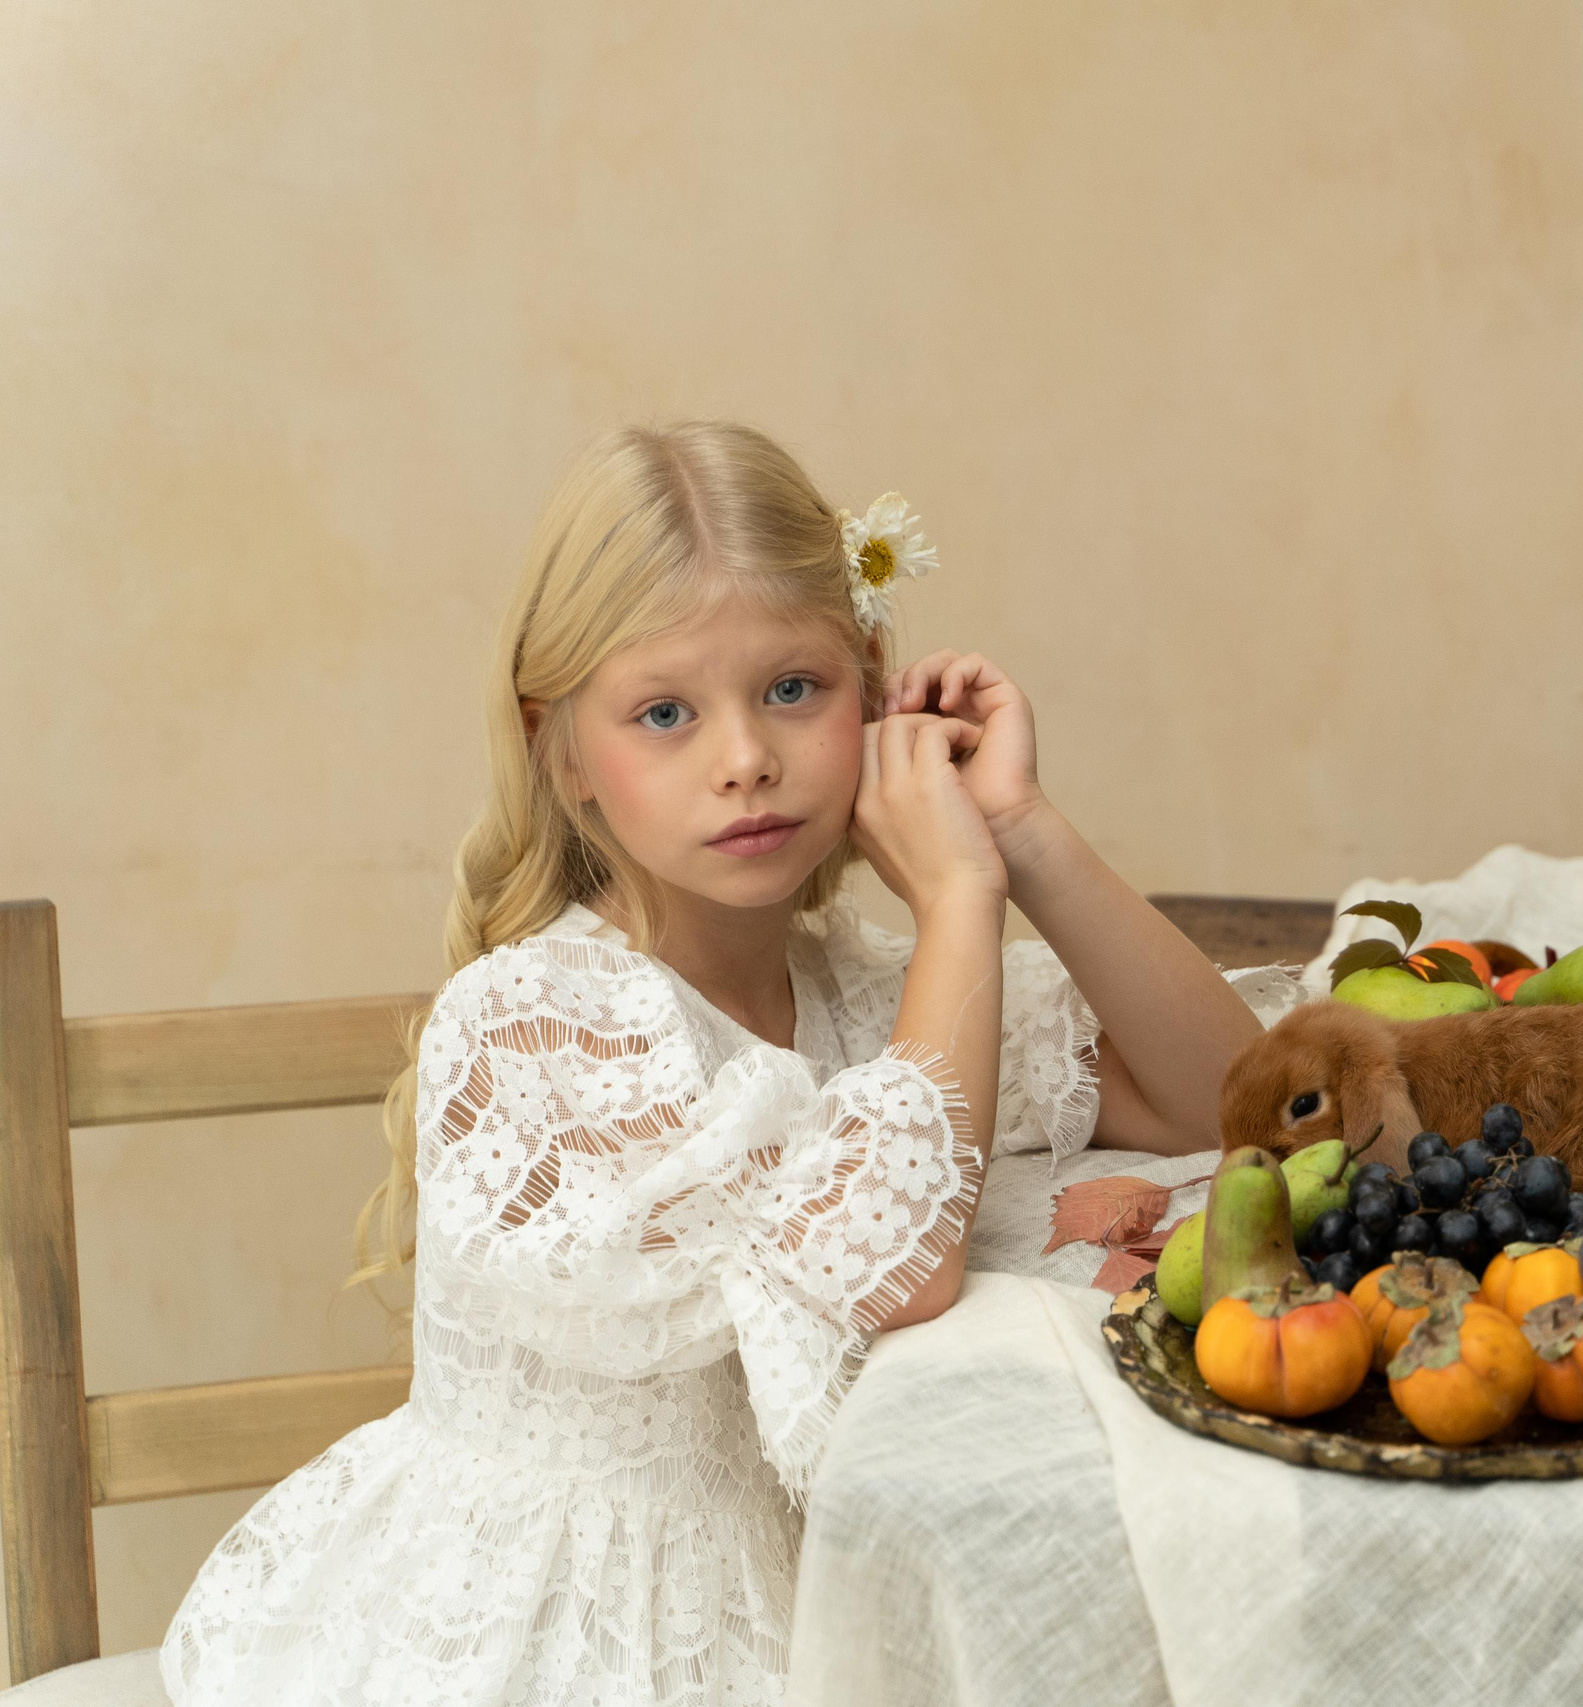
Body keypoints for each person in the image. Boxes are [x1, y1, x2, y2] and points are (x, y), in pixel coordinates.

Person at [159, 421, 1284, 1705]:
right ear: (565, 753)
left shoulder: (864, 998)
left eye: (794, 689)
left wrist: (1019, 830)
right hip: (579, 1640)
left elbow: (1235, 1106)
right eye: (664, 713)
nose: (743, 755)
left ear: (871, 681)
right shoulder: (534, 1019)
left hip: (836, 1592)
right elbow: (891, 1266)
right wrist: (960, 898)